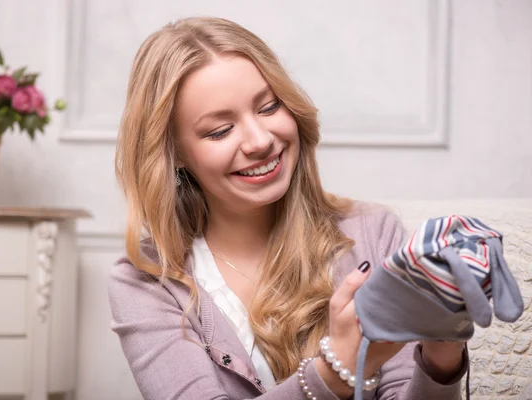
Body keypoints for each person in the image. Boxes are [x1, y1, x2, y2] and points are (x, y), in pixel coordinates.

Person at [108, 16, 469, 400]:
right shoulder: (147, 280)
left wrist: (442, 353)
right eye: (220, 130)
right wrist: (335, 371)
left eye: (269, 107)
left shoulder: (372, 233)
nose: (260, 140)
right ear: (175, 153)